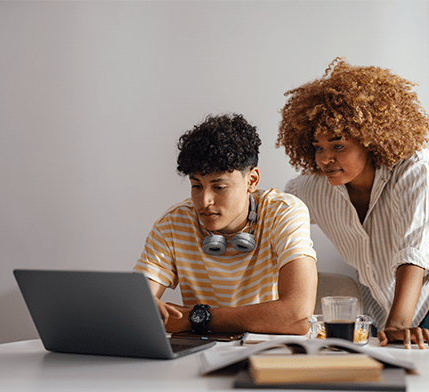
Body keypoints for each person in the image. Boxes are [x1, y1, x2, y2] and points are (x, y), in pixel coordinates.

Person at [276, 58, 429, 351]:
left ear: (369, 140)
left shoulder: (415, 168)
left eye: (338, 146)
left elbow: (416, 250)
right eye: (318, 148)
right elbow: (276, 217)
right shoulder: (310, 188)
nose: (325, 159)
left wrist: (398, 324)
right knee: (389, 375)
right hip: (382, 286)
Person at [134, 113, 318, 335]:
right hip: (199, 353)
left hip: (266, 352)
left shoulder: (284, 212)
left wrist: (194, 318)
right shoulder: (173, 224)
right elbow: (136, 305)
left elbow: (297, 316)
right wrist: (143, 307)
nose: (204, 201)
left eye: (219, 187)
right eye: (196, 186)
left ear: (251, 181)